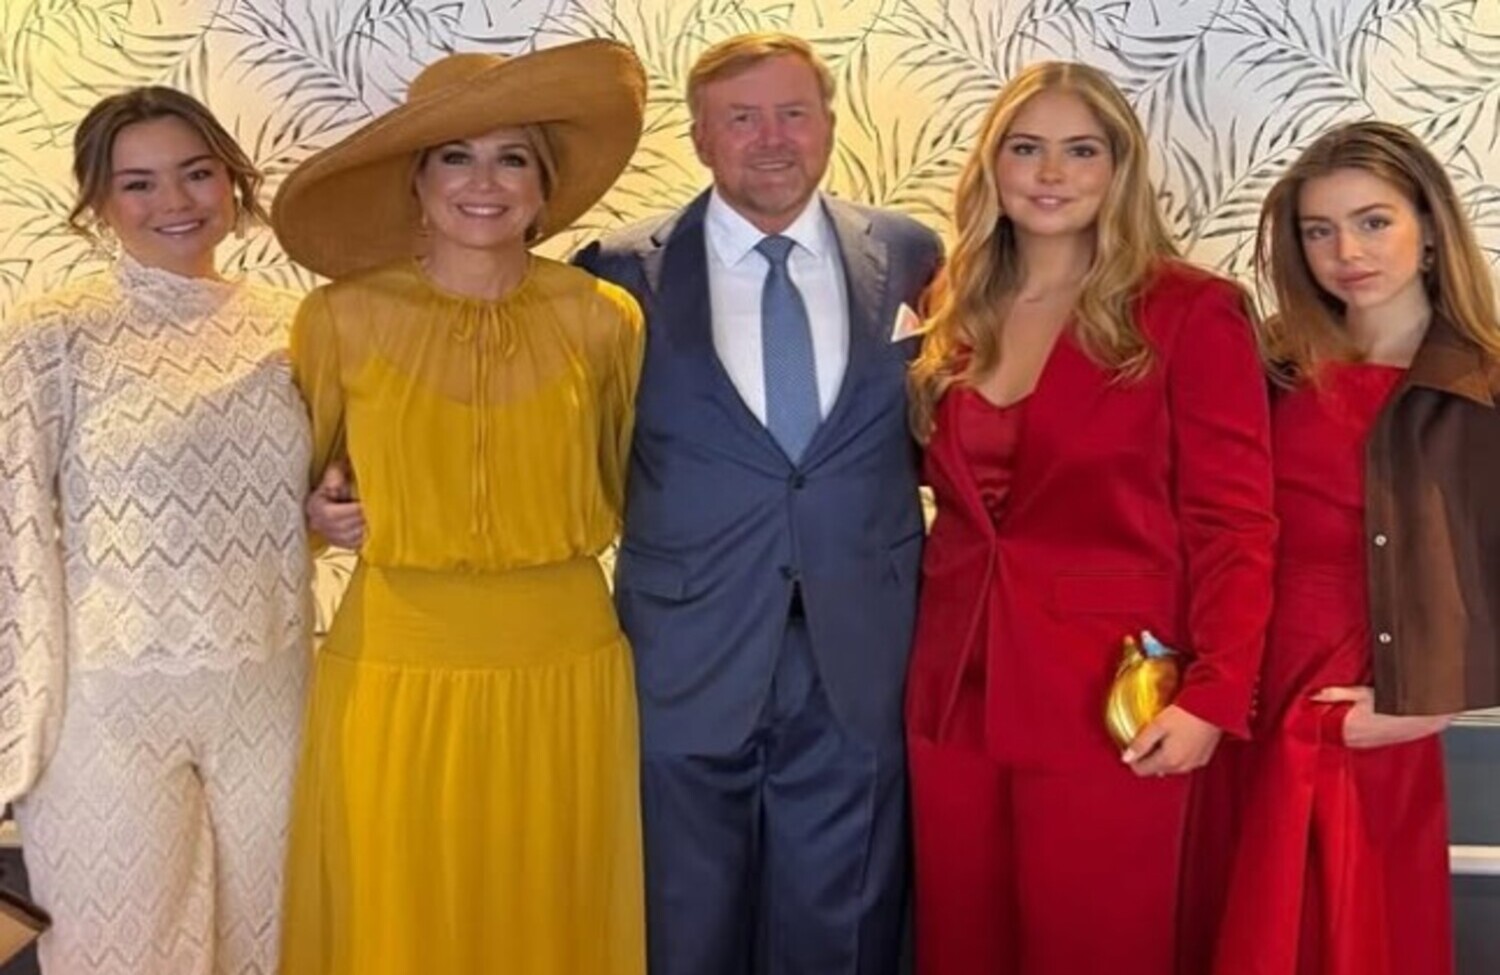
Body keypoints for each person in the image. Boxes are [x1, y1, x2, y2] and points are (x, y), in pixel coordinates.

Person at [270, 41, 650, 975]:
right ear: (417, 180)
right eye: (456, 156)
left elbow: (624, 473)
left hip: (564, 657)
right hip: (398, 657)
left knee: (549, 901)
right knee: (397, 908)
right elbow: (300, 501)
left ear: (543, 182)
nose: (485, 182)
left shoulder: (605, 318)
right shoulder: (339, 317)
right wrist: (322, 517)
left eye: (511, 156)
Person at [573, 31, 942, 975]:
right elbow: (549, 427)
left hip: (862, 640)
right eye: (741, 119)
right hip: (684, 649)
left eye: (793, 113)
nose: (770, 138)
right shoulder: (616, 271)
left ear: (828, 124)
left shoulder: (909, 254)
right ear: (698, 137)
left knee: (845, 911)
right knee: (683, 913)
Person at [902, 61, 1277, 975]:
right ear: (992, 168)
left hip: (1109, 693)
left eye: (1081, 151)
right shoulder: (952, 304)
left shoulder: (1192, 311)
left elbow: (1236, 522)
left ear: (1119, 168)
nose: (1051, 173)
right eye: (1025, 149)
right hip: (953, 685)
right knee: (964, 941)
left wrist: (1216, 694)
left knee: (1099, 942)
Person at [0, 86, 310, 975]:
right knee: (122, 954)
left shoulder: (296, 329)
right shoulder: (53, 335)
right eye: (138, 184)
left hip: (274, 692)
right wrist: (19, 720)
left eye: (196, 174)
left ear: (232, 181)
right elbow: (12, 530)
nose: (174, 204)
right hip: (108, 709)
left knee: (273, 945)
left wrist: (333, 512)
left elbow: (308, 501)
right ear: (98, 200)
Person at [1211, 120, 1500, 975]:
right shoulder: (1270, 362)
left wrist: (1434, 696)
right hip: (1242, 680)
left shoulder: (1480, 377)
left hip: (1368, 686)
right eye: (1319, 229)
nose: (1347, 251)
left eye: (1374, 221)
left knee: (1349, 928)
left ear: (1429, 225)